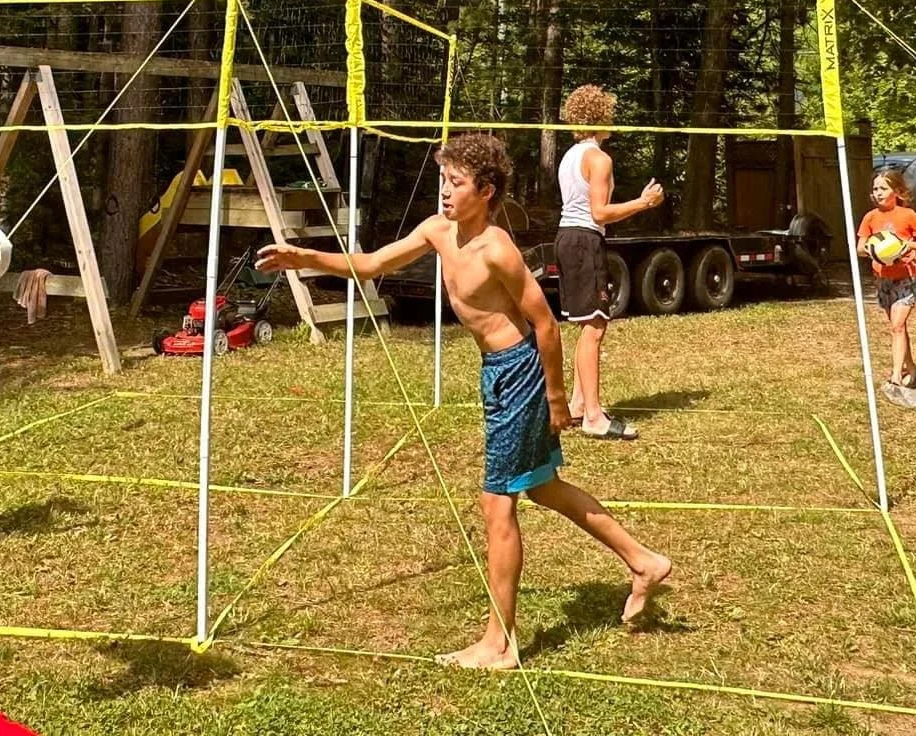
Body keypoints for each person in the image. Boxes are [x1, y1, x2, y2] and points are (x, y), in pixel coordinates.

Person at [258, 132, 672, 669]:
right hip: (495, 374)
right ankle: (643, 561)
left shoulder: (497, 249)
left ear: (487, 189)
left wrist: (555, 398)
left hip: (520, 374)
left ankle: (500, 642)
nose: (445, 193)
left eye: (455, 183)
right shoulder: (437, 230)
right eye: (443, 181)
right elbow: (372, 264)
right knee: (543, 488)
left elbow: (545, 325)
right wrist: (304, 255)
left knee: (497, 503)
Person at [555, 85, 664, 440]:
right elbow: (599, 211)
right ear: (601, 116)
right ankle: (594, 418)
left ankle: (578, 406)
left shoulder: (571, 154)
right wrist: (643, 203)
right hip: (584, 239)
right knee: (595, 327)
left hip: (568, 238)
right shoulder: (599, 159)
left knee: (588, 324)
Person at [857, 166, 916, 396]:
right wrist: (874, 250)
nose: (878, 193)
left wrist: (905, 246)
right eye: (875, 189)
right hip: (883, 278)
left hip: (906, 277)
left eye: (883, 188)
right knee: (897, 328)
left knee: (897, 326)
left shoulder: (908, 216)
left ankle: (896, 376)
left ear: (897, 191)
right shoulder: (870, 218)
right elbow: (861, 248)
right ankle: (910, 366)